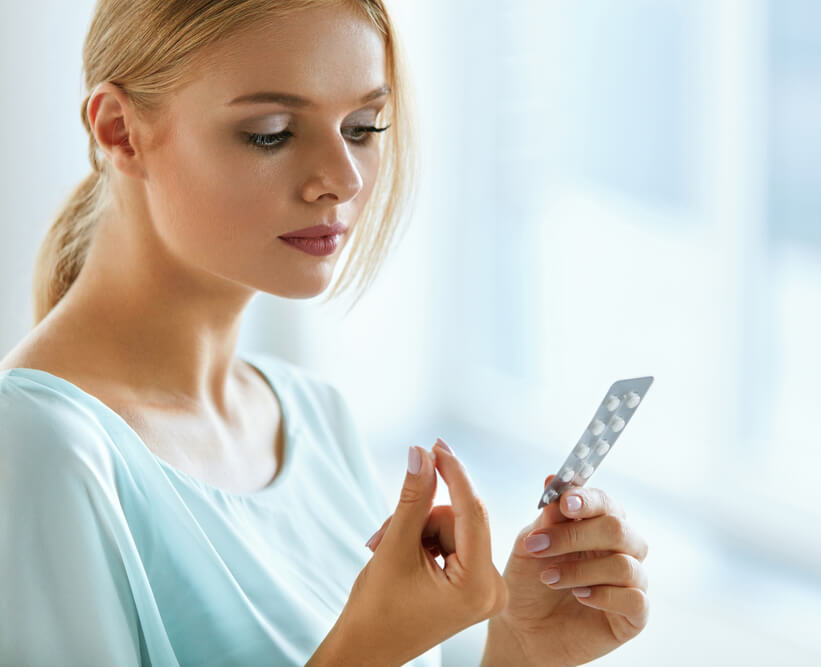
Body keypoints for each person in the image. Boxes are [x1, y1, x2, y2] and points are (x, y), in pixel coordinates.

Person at [0, 1, 650, 665]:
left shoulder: (315, 418)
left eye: (364, 126)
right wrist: (368, 648)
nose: (342, 178)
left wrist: (519, 649)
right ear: (120, 131)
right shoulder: (35, 450)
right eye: (273, 132)